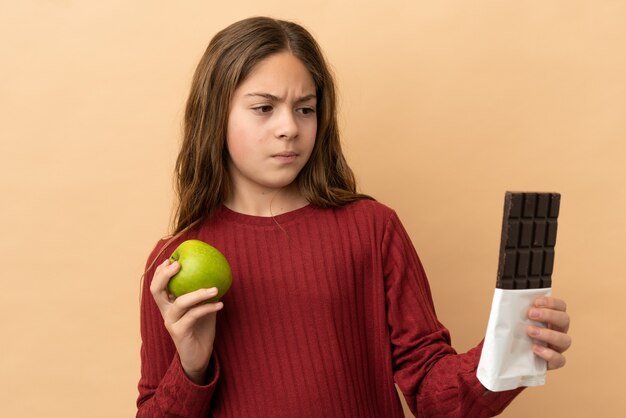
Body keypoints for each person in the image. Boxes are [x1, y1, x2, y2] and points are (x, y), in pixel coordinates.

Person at [136, 16, 571, 418]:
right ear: (216, 116)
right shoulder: (170, 265)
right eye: (264, 108)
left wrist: (508, 351)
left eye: (305, 108)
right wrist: (191, 367)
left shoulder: (371, 227)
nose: (290, 127)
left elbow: (431, 391)